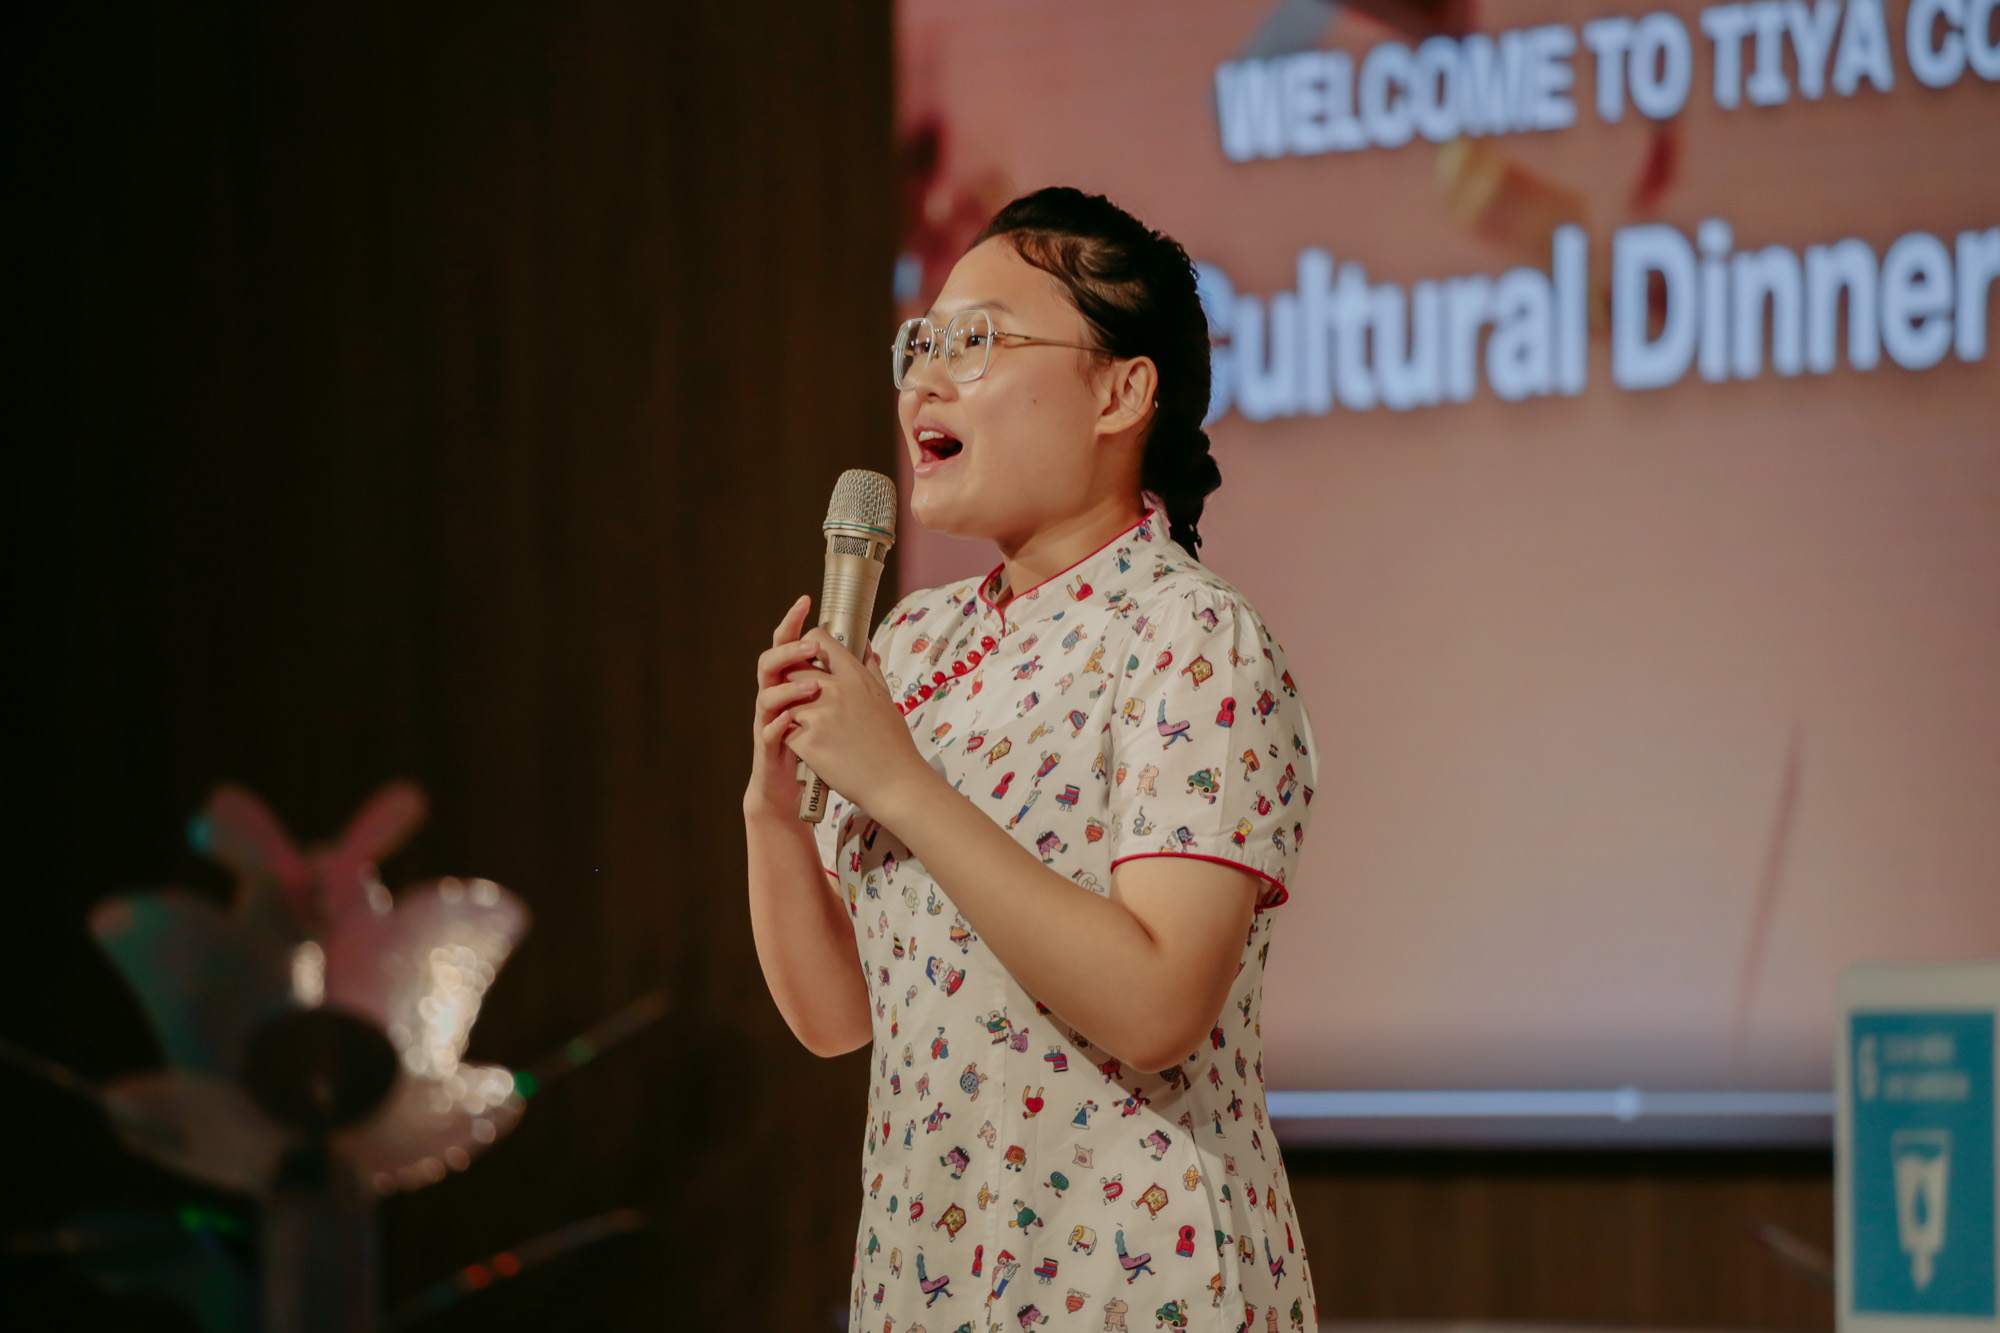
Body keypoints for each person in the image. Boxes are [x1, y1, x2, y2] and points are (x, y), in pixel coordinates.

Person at [745, 186, 1319, 1333]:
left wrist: (898, 782)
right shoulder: (912, 639)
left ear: (1120, 392)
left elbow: (1157, 1003)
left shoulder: (1190, 634)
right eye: (919, 345)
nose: (924, 379)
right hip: (930, 1282)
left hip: (1133, 1283)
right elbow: (836, 1014)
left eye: (977, 341)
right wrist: (770, 806)